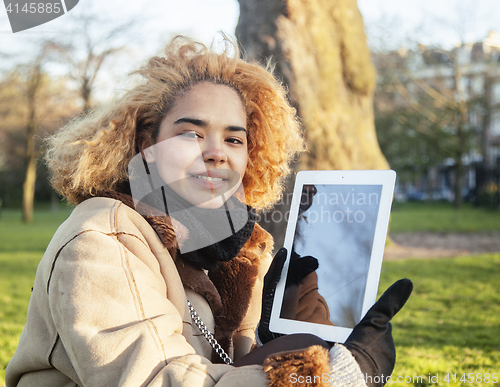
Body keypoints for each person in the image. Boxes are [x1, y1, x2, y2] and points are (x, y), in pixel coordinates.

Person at [6, 36, 412, 387]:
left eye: (234, 139)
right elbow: (155, 379)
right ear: (147, 143)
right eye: (191, 133)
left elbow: (222, 369)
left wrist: (278, 338)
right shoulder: (101, 239)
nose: (217, 152)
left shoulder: (231, 253)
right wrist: (336, 374)